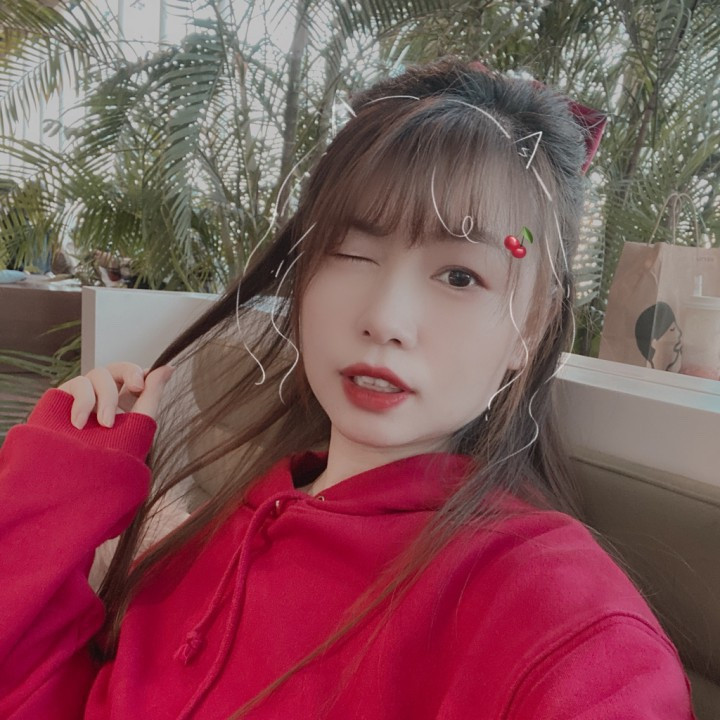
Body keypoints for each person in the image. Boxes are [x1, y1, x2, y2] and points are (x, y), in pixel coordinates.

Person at [0, 58, 697, 720]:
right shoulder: (214, 535)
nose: (384, 319)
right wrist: (58, 483)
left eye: (460, 276)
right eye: (352, 253)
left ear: (532, 327)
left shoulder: (562, 624)